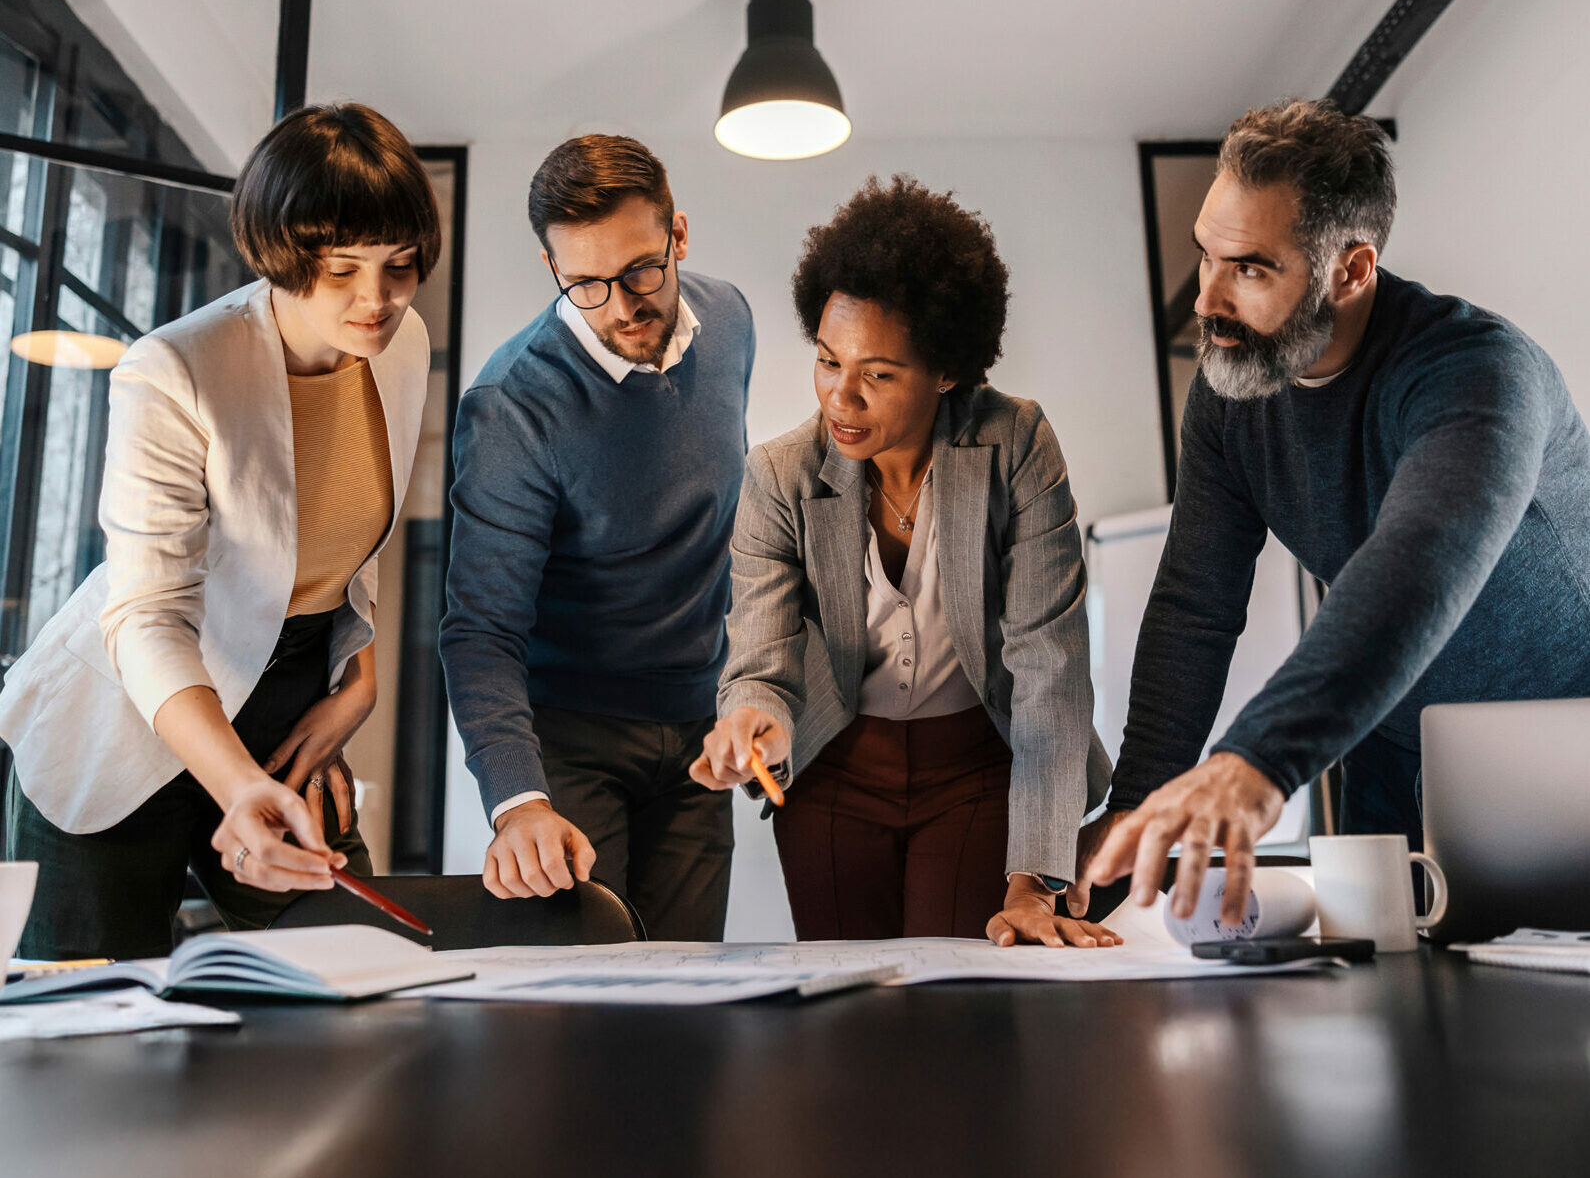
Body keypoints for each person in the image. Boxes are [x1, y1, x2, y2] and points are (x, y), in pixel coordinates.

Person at [1076, 98, 1590, 930]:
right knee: (1388, 1007)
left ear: (1351, 271)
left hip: (1563, 743)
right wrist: (1135, 818)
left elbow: (1422, 557)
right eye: (1205, 254)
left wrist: (1258, 759)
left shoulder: (1479, 374)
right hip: (1388, 743)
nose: (1206, 299)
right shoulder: (1229, 397)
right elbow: (1195, 611)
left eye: (1249, 268)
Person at [0, 104, 439, 959]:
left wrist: (359, 679)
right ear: (278, 255)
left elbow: (350, 544)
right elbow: (147, 614)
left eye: (400, 265)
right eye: (342, 268)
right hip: (137, 712)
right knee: (100, 1034)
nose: (376, 299)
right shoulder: (175, 370)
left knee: (352, 978)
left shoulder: (404, 344)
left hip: (284, 702)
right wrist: (236, 783)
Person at [691, 176, 1118, 947]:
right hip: (834, 772)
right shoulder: (779, 474)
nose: (840, 399)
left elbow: (1049, 665)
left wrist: (1031, 884)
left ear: (947, 371)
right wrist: (750, 717)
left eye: (878, 374)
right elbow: (762, 656)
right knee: (849, 1010)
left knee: (961, 1004)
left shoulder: (1015, 443)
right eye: (827, 362)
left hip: (979, 774)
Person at [441, 135, 755, 940]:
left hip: (697, 728)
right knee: (584, 995)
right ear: (553, 271)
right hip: (569, 741)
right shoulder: (511, 406)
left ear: (678, 236)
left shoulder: (730, 323)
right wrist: (519, 803)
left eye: (641, 270)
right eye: (585, 283)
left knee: (692, 997)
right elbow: (481, 630)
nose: (621, 306)